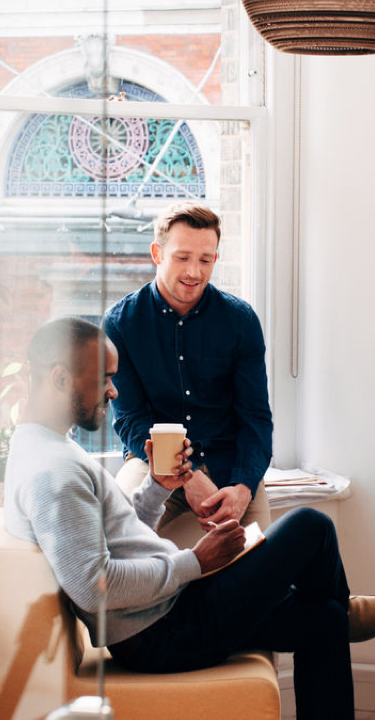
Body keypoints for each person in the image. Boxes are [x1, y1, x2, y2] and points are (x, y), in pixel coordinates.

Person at [4, 317, 375, 720]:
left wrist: (158, 487)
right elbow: (95, 589)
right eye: (104, 379)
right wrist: (198, 561)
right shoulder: (54, 473)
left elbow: (119, 538)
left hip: (165, 613)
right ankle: (346, 608)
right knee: (311, 525)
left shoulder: (47, 449)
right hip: (160, 634)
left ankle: (338, 612)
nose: (113, 391)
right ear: (60, 379)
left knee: (323, 623)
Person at [103, 201, 272, 531]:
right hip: (153, 465)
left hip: (230, 463)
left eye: (205, 260)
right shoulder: (120, 323)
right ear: (157, 253)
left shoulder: (241, 321)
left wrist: (243, 488)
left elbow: (256, 418)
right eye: (182, 258)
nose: (195, 272)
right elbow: (130, 419)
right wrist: (188, 476)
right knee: (116, 541)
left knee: (262, 569)